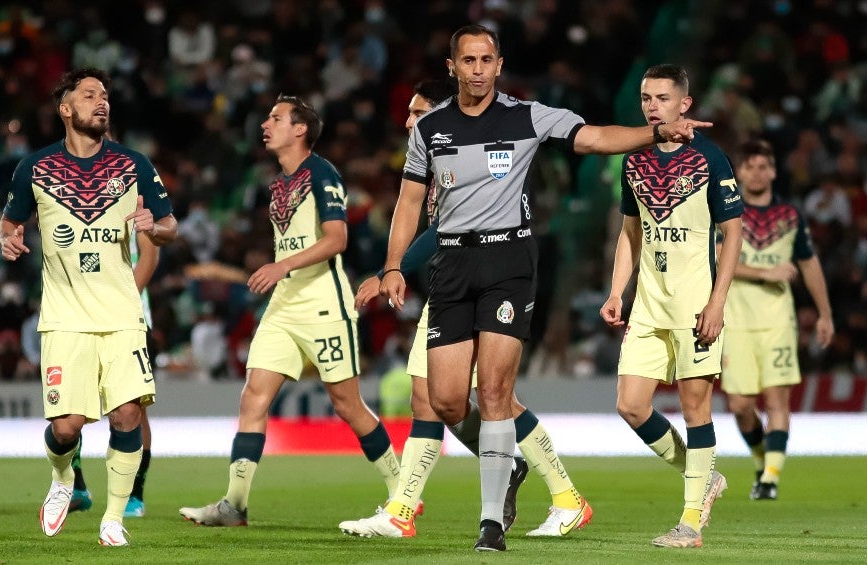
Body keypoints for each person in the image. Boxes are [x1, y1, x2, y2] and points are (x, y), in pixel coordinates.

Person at [380, 26, 711, 552]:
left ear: (499, 63)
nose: (479, 69)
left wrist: (657, 133)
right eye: (469, 60)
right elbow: (407, 202)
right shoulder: (430, 129)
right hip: (452, 264)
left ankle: (490, 525)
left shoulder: (527, 116)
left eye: (487, 59)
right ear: (453, 67)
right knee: (444, 401)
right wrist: (393, 265)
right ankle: (513, 471)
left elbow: (597, 138)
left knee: (493, 393)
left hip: (508, 261)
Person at [341, 79, 592, 539]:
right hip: (452, 286)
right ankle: (557, 493)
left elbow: (438, 233)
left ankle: (405, 508)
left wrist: (385, 272)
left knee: (473, 400)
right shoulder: (439, 160)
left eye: (418, 113)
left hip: (484, 283)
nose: (409, 122)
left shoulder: (462, 156)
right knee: (448, 400)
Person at [179, 95, 399, 527]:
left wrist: (281, 265)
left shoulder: (323, 173)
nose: (265, 124)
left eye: (276, 118)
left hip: (323, 303)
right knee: (253, 398)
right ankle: (234, 505)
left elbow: (337, 239)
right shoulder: (277, 182)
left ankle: (402, 492)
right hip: (283, 305)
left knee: (347, 404)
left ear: (300, 130)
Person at [0, 67, 178, 547]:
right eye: (89, 94)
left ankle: (114, 518)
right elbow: (8, 223)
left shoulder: (134, 163)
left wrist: (153, 226)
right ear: (65, 108)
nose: (102, 102)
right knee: (65, 428)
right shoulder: (34, 168)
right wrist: (8, 240)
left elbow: (170, 226)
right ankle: (63, 480)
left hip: (121, 315)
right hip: (65, 318)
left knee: (127, 416)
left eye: (105, 96)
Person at [600, 64, 744, 548]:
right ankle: (703, 478)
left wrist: (718, 301)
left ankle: (690, 523)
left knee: (694, 407)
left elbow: (733, 233)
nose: (651, 105)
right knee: (631, 405)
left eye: (662, 98)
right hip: (648, 303)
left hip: (695, 302)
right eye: (645, 98)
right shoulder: (633, 158)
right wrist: (617, 291)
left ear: (685, 103)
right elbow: (630, 232)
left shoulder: (711, 157)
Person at [721, 140, 834, 501]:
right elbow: (720, 260)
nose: (756, 172)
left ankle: (769, 479)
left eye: (763, 166)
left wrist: (825, 313)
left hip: (777, 322)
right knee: (739, 405)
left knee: (777, 401)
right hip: (735, 321)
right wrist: (765, 274)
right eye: (750, 165)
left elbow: (809, 264)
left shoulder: (790, 216)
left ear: (772, 171)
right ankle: (761, 461)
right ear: (739, 171)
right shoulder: (725, 211)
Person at [68, 227, 161, 518]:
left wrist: (122, 304)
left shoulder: (132, 196)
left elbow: (150, 254)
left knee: (133, 408)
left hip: (129, 321)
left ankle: (135, 494)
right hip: (80, 319)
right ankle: (77, 486)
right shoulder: (76, 202)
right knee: (73, 402)